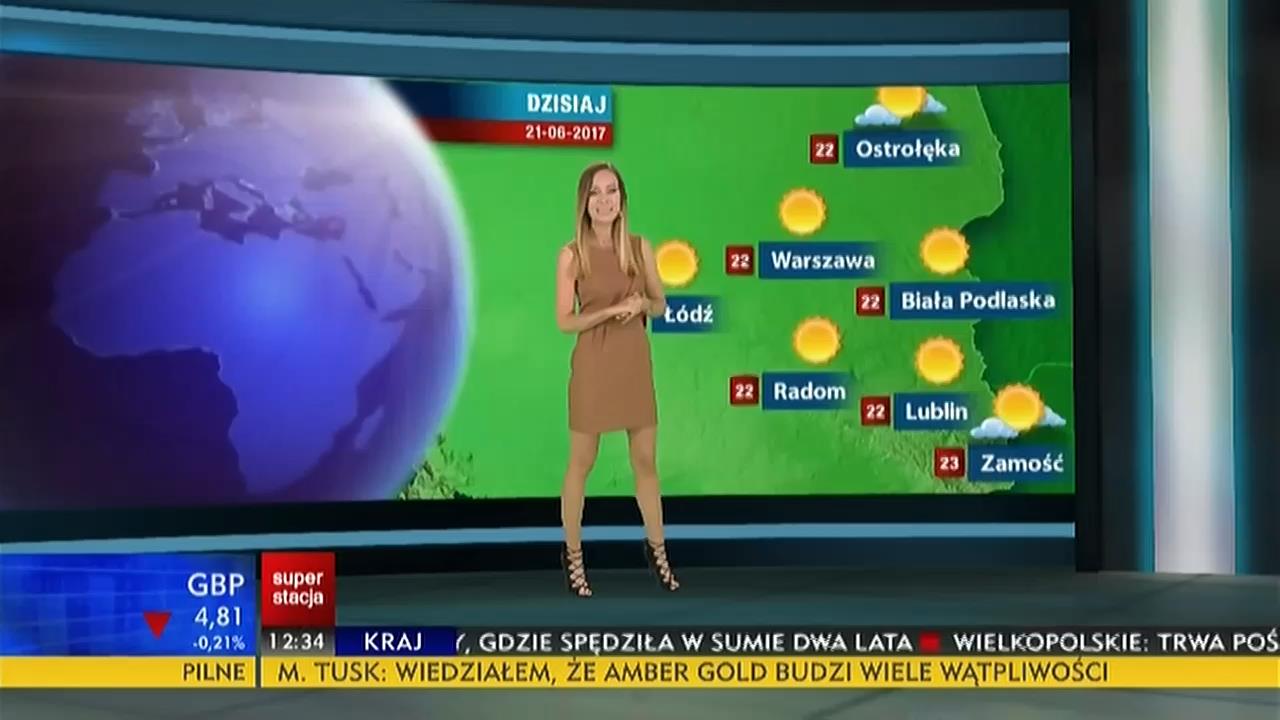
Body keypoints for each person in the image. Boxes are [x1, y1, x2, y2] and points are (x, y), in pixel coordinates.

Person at [554, 162, 680, 598]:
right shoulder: (572, 255)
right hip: (593, 366)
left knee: (645, 461)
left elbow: (660, 304)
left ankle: (658, 551)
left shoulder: (640, 248)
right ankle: (573, 557)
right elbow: (564, 321)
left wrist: (643, 304)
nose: (604, 200)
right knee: (582, 462)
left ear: (622, 199)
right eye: (596, 193)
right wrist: (609, 311)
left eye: (612, 191)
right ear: (584, 202)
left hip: (634, 364)